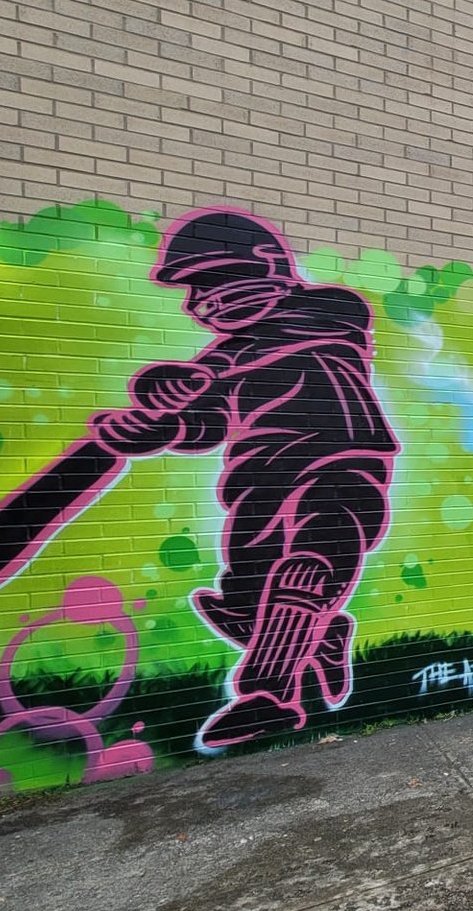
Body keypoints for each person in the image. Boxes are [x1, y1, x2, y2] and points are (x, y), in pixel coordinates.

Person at [85, 209, 398, 751]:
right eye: (194, 290)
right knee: (242, 598)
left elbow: (303, 332)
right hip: (257, 483)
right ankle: (322, 634)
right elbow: (207, 422)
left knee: (311, 563)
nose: (201, 301)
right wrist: (158, 423)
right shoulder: (227, 355)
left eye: (213, 282)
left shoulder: (328, 311)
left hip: (338, 464)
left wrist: (188, 378)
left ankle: (267, 697)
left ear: (268, 266)